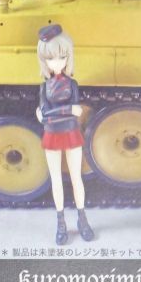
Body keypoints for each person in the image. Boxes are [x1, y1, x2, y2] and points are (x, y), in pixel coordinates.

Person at [35, 24, 94, 244]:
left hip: (70, 133)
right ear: (44, 60)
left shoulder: (72, 84)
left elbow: (52, 113)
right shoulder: (44, 87)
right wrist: (68, 110)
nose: (57, 62)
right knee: (56, 179)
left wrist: (54, 114)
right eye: (50, 58)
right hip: (52, 134)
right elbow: (47, 114)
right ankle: (61, 222)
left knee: (77, 178)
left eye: (62, 57)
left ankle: (82, 218)